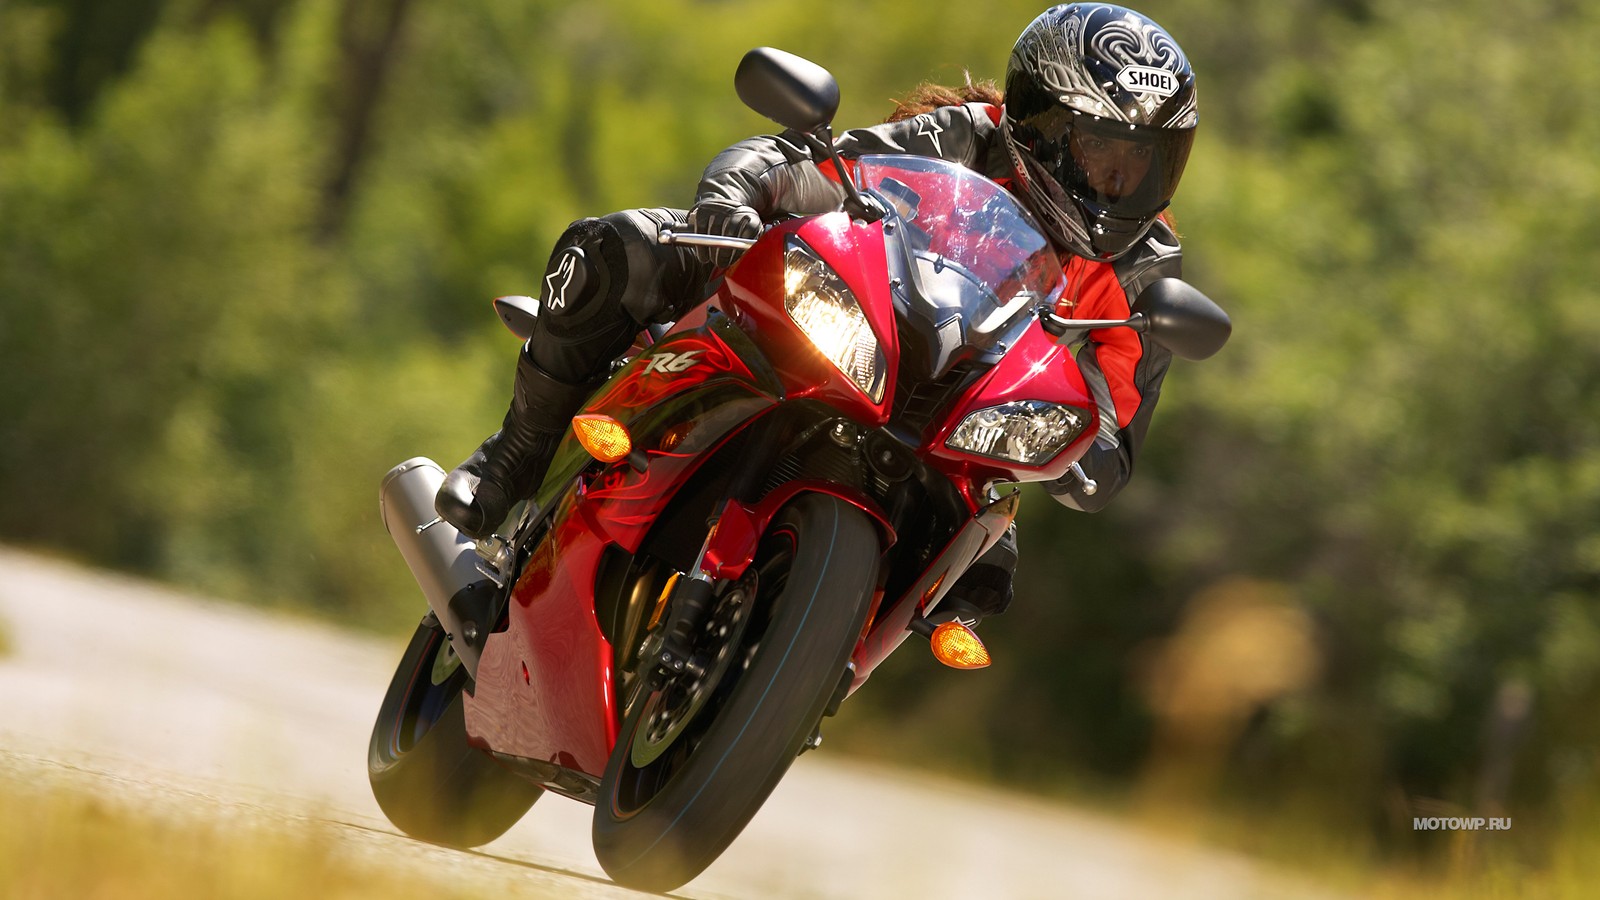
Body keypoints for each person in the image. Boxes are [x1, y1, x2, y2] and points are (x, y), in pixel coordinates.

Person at [435, 3, 1198, 620]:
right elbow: (804, 169)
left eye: (1148, 164)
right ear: (1042, 122)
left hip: (957, 427)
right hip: (853, 334)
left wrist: (1070, 445)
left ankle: (803, 665)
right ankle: (514, 456)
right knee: (615, 251)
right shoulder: (969, 133)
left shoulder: (1144, 269)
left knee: (981, 570)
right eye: (1106, 153)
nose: (1122, 185)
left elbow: (1112, 444)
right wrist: (731, 207)